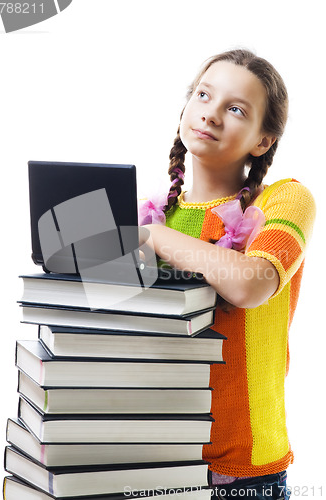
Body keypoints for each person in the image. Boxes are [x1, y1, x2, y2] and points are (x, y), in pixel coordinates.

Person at [139, 49, 316, 499]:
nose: (211, 115)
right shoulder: (155, 213)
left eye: (235, 109)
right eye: (203, 95)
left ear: (264, 140)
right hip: (151, 459)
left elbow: (250, 283)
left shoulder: (283, 200)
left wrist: (154, 239)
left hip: (243, 471)